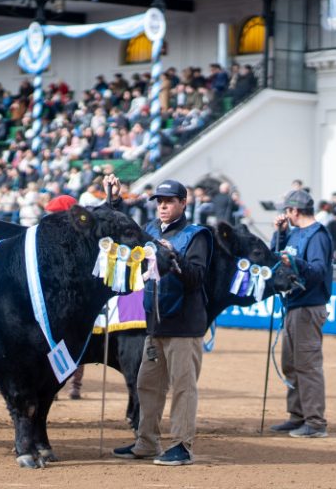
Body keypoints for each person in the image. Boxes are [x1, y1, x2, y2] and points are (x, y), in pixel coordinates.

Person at [113, 179, 212, 466]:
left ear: (183, 203)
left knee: (183, 387)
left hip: (184, 325)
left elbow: (196, 277)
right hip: (155, 322)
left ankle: (182, 445)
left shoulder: (197, 236)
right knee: (147, 385)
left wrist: (174, 254)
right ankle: (146, 441)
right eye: (159, 201)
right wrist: (116, 202)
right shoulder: (152, 231)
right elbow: (124, 234)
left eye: (169, 201)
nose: (163, 206)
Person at [270, 189, 332, 438]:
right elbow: (275, 253)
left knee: (307, 365)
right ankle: (298, 416)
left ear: (294, 211)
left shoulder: (317, 235)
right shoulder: (296, 234)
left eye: (286, 210)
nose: (285, 214)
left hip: (308, 306)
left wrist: (293, 264)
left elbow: (317, 270)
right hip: (295, 305)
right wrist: (281, 234)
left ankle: (315, 422)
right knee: (291, 364)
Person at [44, 194, 85, 399]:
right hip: (54, 303)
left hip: (76, 302)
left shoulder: (83, 238)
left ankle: (74, 385)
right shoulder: (46, 238)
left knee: (76, 344)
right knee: (54, 345)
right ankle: (55, 385)